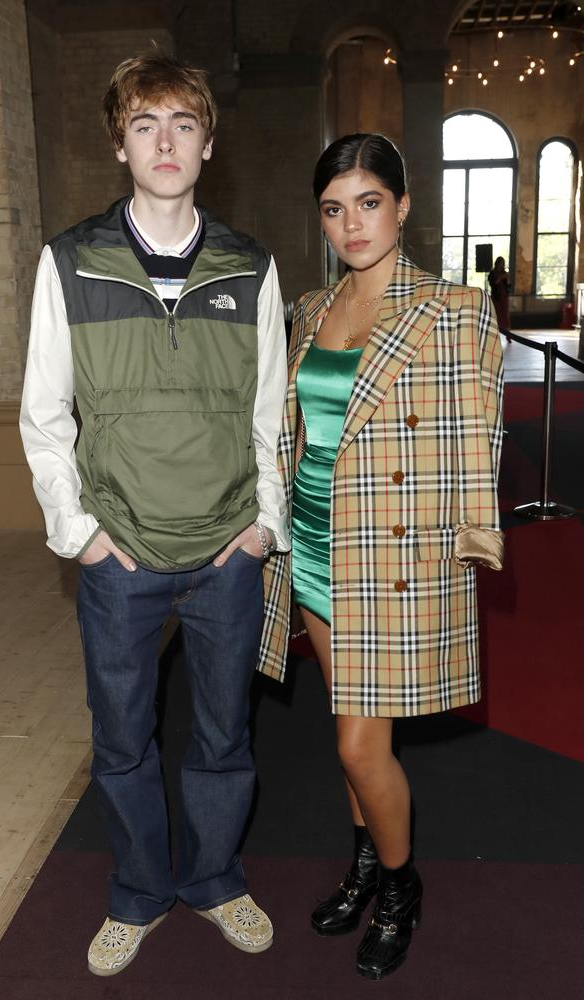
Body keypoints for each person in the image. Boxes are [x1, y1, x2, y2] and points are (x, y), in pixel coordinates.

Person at [20, 52, 289, 976]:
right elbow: (44, 415)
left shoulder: (251, 267)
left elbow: (268, 417)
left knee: (224, 736)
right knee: (122, 738)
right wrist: (81, 534)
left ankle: (215, 879)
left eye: (182, 124)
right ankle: (138, 892)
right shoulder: (70, 261)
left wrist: (262, 526)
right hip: (120, 555)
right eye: (145, 125)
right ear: (121, 144)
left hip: (227, 552)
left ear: (208, 144)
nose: (165, 141)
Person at [258, 134, 504, 980]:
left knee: (364, 747)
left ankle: (400, 885)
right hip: (318, 547)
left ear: (403, 206)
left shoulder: (454, 309)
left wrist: (470, 547)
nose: (352, 224)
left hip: (393, 560)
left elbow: (480, 440)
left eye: (369, 203)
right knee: (346, 735)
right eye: (334, 209)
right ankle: (364, 862)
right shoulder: (307, 310)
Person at [488, 255, 511, 339]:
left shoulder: (504, 273)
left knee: (505, 315)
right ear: (497, 264)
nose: (501, 265)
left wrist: (508, 279)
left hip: (504, 297)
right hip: (496, 296)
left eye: (502, 264)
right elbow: (493, 284)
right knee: (496, 314)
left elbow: (508, 286)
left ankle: (508, 334)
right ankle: (495, 334)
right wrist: (501, 278)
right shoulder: (492, 273)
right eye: (500, 263)